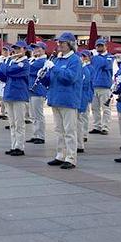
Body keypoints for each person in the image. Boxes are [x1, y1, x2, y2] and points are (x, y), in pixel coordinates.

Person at [43, 32, 83, 170]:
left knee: (69, 131)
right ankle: (61, 155)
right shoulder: (57, 59)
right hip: (56, 98)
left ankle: (71, 158)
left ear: (70, 44)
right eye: (58, 42)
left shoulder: (75, 60)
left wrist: (54, 68)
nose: (59, 44)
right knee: (59, 130)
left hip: (68, 99)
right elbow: (51, 79)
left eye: (62, 42)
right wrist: (43, 76)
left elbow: (70, 78)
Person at [0, 40, 31, 156]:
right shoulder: (11, 62)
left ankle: (19, 147)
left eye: (19, 49)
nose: (16, 51)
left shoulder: (25, 63)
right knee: (12, 123)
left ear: (24, 50)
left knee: (19, 123)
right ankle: (13, 145)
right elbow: (5, 77)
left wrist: (2, 64)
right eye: (15, 49)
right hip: (9, 94)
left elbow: (10, 71)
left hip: (19, 95)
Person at [89, 39, 114, 135]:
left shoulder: (109, 57)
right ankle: (97, 126)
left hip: (105, 86)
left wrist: (96, 57)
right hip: (94, 85)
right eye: (98, 46)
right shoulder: (94, 57)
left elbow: (105, 65)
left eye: (101, 46)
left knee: (106, 108)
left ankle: (105, 127)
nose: (99, 47)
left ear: (105, 46)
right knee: (95, 108)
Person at [27, 43, 48, 144]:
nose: (35, 50)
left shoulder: (42, 61)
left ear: (43, 49)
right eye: (34, 48)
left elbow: (28, 69)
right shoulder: (34, 60)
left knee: (38, 114)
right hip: (32, 90)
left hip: (38, 90)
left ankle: (40, 136)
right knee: (33, 115)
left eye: (37, 48)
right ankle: (35, 134)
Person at [77, 51, 95, 155]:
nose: (83, 58)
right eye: (82, 56)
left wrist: (89, 97)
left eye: (84, 56)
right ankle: (81, 138)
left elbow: (88, 85)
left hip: (84, 97)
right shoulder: (83, 68)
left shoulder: (88, 69)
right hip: (81, 97)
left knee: (82, 118)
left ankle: (83, 136)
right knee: (80, 119)